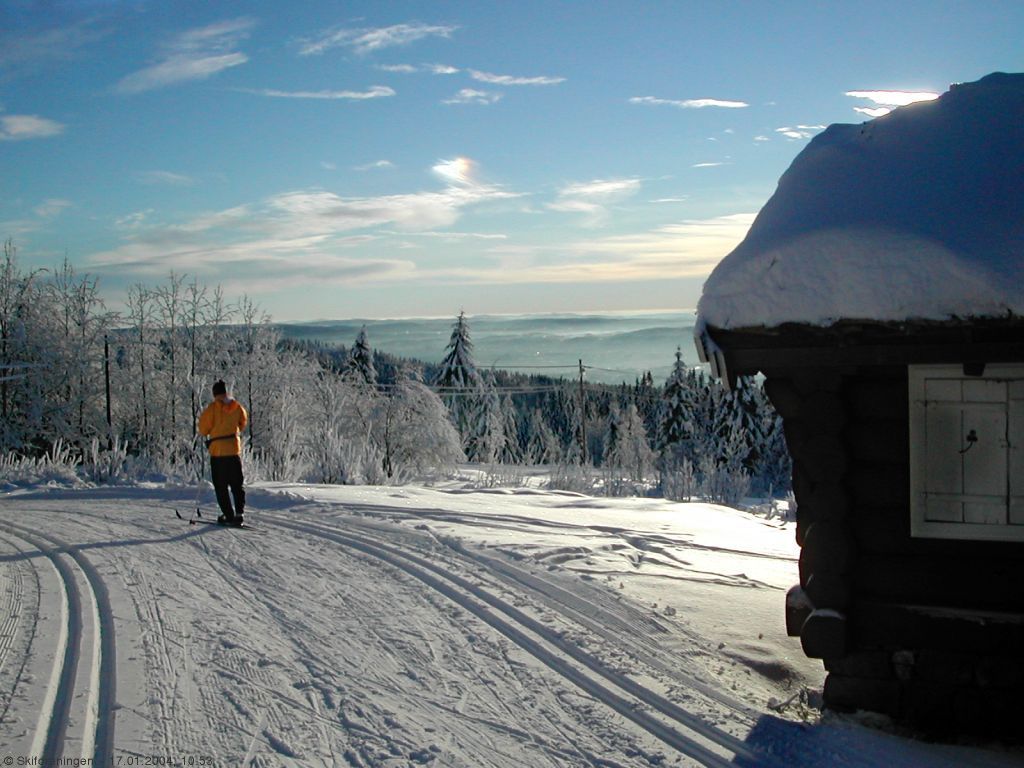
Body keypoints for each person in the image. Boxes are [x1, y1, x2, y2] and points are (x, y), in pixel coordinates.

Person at [197, 380, 248, 525]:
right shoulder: (237, 407)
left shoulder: (212, 409)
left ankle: (228, 514)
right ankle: (239, 513)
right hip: (234, 451)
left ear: (214, 394)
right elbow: (243, 422)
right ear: (226, 392)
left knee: (221, 486)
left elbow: (203, 429)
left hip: (218, 453)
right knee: (237, 485)